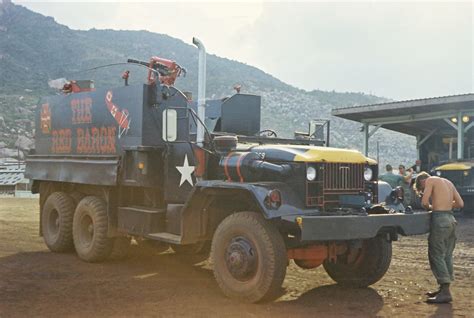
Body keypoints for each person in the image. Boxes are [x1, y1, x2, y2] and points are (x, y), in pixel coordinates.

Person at [415, 172, 464, 304]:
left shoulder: (430, 180)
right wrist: (445, 205)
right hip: (451, 219)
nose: (425, 190)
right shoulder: (448, 182)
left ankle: (445, 291)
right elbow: (460, 203)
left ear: (422, 182)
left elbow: (424, 202)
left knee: (436, 254)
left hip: (440, 220)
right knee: (446, 254)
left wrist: (431, 207)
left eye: (422, 188)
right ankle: (443, 288)